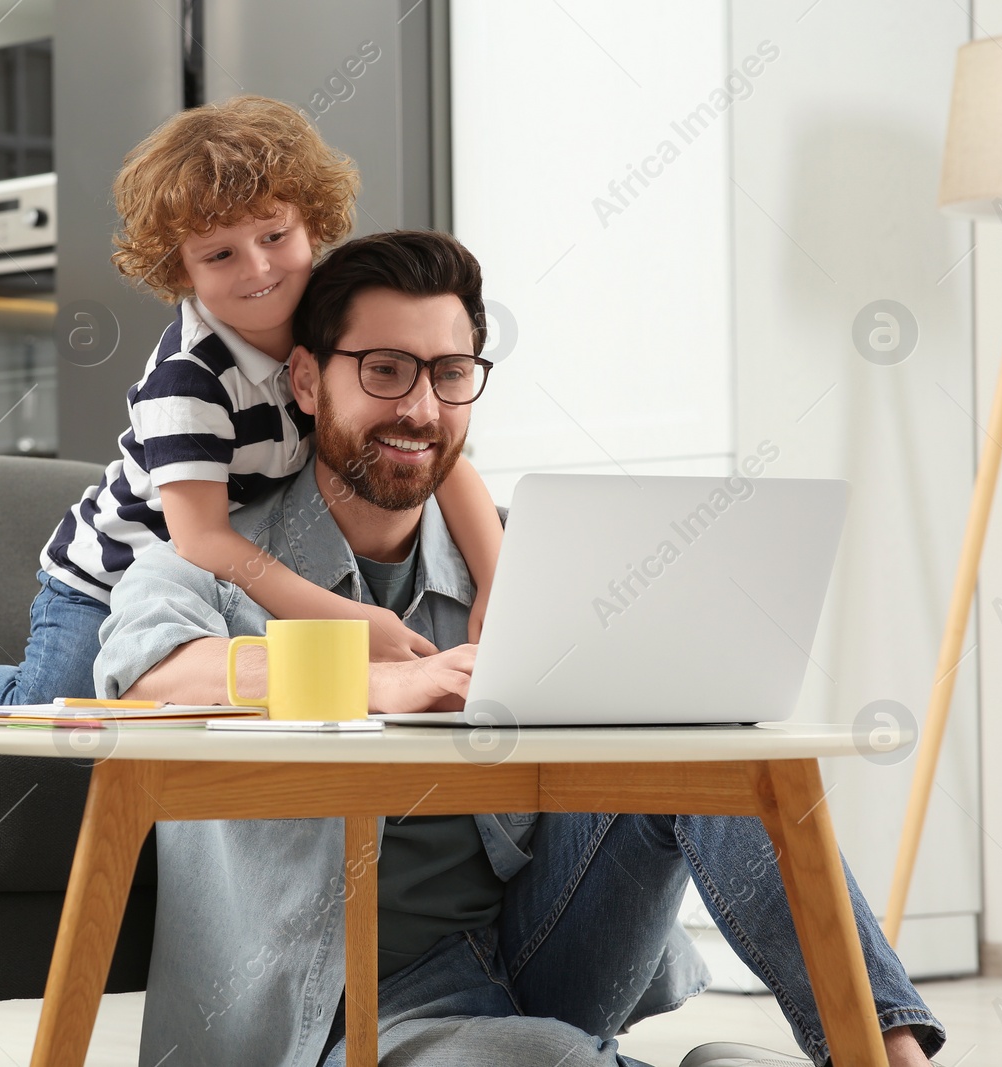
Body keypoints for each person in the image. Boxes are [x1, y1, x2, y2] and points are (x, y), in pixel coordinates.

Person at [92, 230, 947, 1067]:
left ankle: (885, 1051)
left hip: (538, 955)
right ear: (309, 380)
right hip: (338, 1013)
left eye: (450, 374)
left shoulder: (516, 559)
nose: (421, 409)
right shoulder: (214, 554)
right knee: (544, 1058)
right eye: (384, 370)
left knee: (714, 759)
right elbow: (145, 672)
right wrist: (372, 681)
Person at [0, 95, 505, 724]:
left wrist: (500, 596)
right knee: (57, 707)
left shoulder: (329, 321)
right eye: (219, 256)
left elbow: (444, 460)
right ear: (178, 271)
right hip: (111, 578)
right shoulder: (187, 382)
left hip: (231, 566)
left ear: (312, 223)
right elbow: (204, 543)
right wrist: (352, 623)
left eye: (274, 237)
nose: (258, 269)